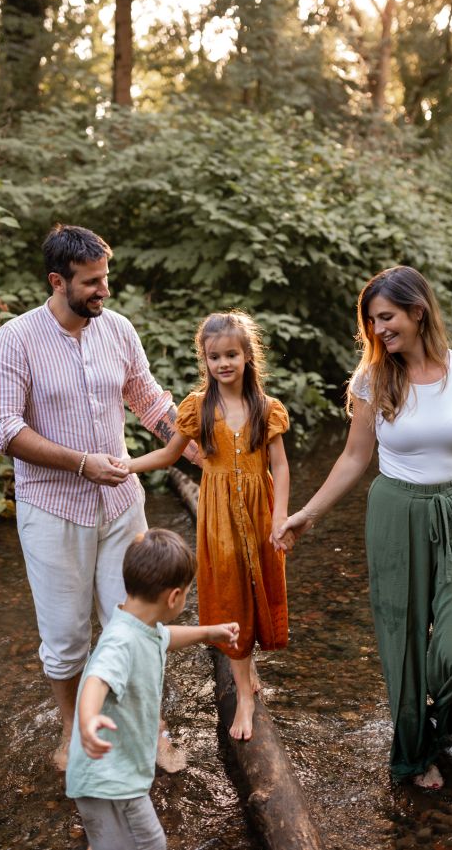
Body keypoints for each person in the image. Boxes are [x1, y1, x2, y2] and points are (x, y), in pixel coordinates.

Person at [276, 266, 452, 789]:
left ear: (418, 311)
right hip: (396, 513)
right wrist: (307, 513)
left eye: (386, 317)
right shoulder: (372, 380)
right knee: (404, 638)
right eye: (371, 321)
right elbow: (352, 458)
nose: (378, 330)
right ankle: (416, 747)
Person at [0, 223, 198, 771]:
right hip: (53, 509)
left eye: (106, 278)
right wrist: (79, 462)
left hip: (122, 503)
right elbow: (2, 430)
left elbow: (147, 398)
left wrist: (194, 444)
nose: (104, 290)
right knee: (66, 636)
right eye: (92, 282)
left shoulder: (119, 329)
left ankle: (148, 729)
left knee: (136, 620)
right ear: (58, 281)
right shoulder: (15, 339)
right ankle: (71, 731)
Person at [123, 311, 291, 742]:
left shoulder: (266, 409)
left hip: (258, 514)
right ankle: (244, 695)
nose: (223, 363)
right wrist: (127, 465)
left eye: (231, 354)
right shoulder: (198, 407)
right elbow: (168, 455)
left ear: (248, 355)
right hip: (217, 518)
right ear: (206, 360)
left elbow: (281, 466)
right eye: (214, 356)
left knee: (258, 588)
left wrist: (280, 519)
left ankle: (249, 665)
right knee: (231, 592)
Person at [66, 527, 239, 850]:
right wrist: (88, 719)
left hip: (112, 772)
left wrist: (208, 633)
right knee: (149, 844)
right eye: (187, 592)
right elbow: (96, 679)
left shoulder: (137, 625)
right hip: (109, 780)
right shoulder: (121, 641)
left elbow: (165, 637)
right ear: (174, 597)